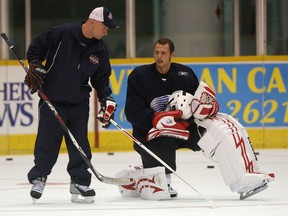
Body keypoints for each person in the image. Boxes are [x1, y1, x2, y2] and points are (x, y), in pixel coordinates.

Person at [124, 38, 274, 200]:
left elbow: (199, 101)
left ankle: (241, 181)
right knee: (161, 145)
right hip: (150, 133)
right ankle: (162, 180)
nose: (159, 56)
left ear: (172, 55)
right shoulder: (139, 76)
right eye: (157, 52)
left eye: (163, 53)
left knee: (217, 132)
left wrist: (208, 106)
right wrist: (156, 120)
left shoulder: (185, 74)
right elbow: (132, 111)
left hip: (183, 129)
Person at [24, 7, 118, 203]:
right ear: (92, 22)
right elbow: (35, 49)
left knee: (80, 144)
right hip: (53, 98)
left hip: (79, 102)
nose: (107, 31)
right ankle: (39, 177)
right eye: (105, 27)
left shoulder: (100, 50)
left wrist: (106, 98)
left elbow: (101, 80)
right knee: (47, 141)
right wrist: (36, 65)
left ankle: (79, 181)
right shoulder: (62, 33)